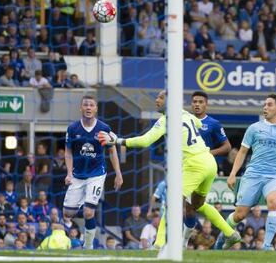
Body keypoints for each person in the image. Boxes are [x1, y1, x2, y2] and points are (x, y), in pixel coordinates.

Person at [99, 91, 240, 249]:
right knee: (198, 204)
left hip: (194, 164)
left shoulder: (166, 120)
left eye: (160, 98)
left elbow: (145, 141)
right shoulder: (186, 114)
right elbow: (199, 124)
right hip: (209, 163)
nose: (157, 100)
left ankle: (158, 244)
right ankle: (231, 233)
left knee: (171, 202)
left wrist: (117, 140)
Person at [218, 94, 276, 250]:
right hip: (253, 175)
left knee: (274, 202)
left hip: (274, 176)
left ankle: (267, 245)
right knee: (240, 214)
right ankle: (223, 236)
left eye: (269, 105)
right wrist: (232, 174)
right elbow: (242, 152)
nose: (265, 107)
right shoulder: (254, 128)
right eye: (264, 105)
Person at [63, 95, 123, 249]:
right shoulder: (72, 129)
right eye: (85, 105)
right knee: (67, 214)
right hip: (77, 175)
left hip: (96, 174)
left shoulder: (104, 128)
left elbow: (112, 151)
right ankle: (84, 198)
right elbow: (68, 152)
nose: (88, 107)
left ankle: (88, 246)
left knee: (88, 212)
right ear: (81, 108)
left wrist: (118, 173)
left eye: (91, 105)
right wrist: (69, 173)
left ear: (96, 109)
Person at [191, 91, 231, 159]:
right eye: (195, 102)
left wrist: (208, 153)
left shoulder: (214, 123)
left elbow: (227, 147)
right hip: (187, 163)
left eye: (201, 102)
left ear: (206, 104)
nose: (197, 104)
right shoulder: (185, 120)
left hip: (205, 164)